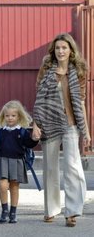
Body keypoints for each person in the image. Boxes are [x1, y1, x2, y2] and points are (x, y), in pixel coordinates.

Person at [32, 33, 91, 227]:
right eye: (57, 48)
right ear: (53, 50)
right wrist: (36, 124)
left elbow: (81, 102)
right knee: (50, 167)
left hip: (70, 123)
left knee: (72, 166)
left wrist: (87, 131)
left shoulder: (79, 71)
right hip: (48, 123)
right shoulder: (47, 69)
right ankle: (51, 209)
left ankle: (72, 211)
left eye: (64, 48)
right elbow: (39, 98)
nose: (61, 51)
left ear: (71, 50)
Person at [0, 100, 40, 224]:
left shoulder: (22, 132)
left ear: (19, 116)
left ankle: (13, 212)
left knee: (14, 187)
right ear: (3, 116)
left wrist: (35, 139)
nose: (10, 118)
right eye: (7, 116)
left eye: (13, 115)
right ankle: (4, 210)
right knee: (2, 185)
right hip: (2, 161)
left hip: (17, 162)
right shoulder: (0, 132)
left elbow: (29, 144)